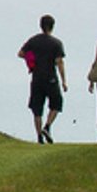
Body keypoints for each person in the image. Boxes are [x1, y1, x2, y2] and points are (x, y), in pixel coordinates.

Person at [18, 14, 67, 143]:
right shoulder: (56, 43)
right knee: (56, 103)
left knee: (37, 108)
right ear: (52, 26)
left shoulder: (33, 41)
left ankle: (39, 136)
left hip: (36, 77)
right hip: (50, 77)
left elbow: (21, 53)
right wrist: (64, 81)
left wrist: (31, 61)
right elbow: (59, 62)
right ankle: (48, 126)